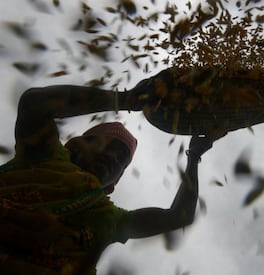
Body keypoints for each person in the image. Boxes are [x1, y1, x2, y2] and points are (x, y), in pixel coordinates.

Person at [0, 84, 214, 274]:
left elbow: (179, 217)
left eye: (122, 159)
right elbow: (34, 103)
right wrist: (126, 99)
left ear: (113, 183)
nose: (112, 157)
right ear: (76, 146)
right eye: (105, 144)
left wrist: (193, 158)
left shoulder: (107, 219)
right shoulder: (42, 155)